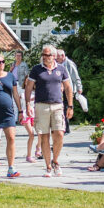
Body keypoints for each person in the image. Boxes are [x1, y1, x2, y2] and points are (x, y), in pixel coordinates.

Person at [25, 46, 73, 177]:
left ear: (54, 56)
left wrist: (70, 105)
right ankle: (48, 166)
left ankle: (55, 161)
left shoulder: (61, 69)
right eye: (43, 55)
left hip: (57, 105)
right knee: (44, 136)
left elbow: (68, 87)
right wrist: (28, 104)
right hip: (41, 105)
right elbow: (29, 87)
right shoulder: (36, 69)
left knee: (59, 134)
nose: (45, 57)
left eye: (48, 55)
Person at [11, 48, 35, 161]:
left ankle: (20, 117)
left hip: (21, 84)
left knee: (21, 100)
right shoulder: (12, 64)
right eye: (17, 55)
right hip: (13, 83)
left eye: (20, 55)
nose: (18, 57)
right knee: (15, 103)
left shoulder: (24, 65)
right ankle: (17, 118)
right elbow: (10, 74)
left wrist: (26, 84)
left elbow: (27, 76)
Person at [56, 49, 82, 132]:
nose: (56, 58)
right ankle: (63, 126)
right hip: (59, 89)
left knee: (66, 107)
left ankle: (66, 128)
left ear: (62, 56)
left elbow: (75, 76)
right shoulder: (57, 64)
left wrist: (79, 87)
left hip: (68, 89)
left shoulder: (69, 64)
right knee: (61, 108)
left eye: (57, 57)